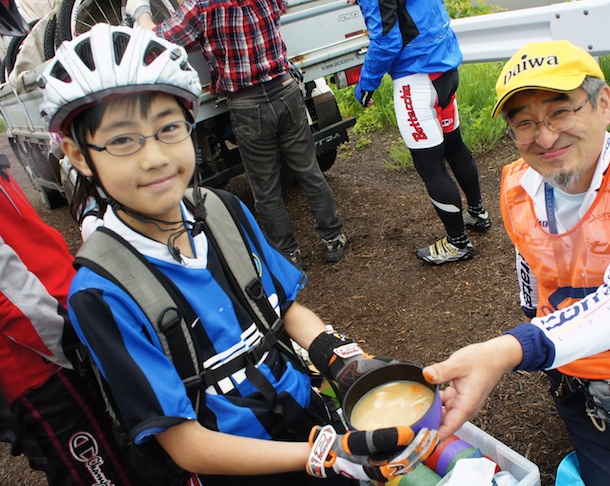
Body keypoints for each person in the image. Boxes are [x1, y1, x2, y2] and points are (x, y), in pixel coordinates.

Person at [40, 24, 437, 485]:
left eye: (168, 129)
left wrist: (340, 359)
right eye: (123, 140)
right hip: (237, 465)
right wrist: (325, 455)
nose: (154, 158)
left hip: (309, 417)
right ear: (80, 155)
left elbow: (283, 309)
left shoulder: (223, 211)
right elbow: (185, 444)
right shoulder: (102, 293)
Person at [422, 40, 610, 484]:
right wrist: (532, 316)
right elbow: (528, 260)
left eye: (560, 111)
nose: (544, 137)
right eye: (524, 123)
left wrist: (510, 349)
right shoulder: (516, 184)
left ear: (603, 104)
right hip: (586, 382)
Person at [125, 0, 347, 271]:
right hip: (285, 89)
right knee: (309, 171)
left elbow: (161, 40)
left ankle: (288, 255)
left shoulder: (201, 5)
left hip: (246, 103)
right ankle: (333, 238)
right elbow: (282, 7)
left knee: (265, 189)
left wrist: (141, 14)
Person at [0, 144, 150, 486]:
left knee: (128, 450)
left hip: (61, 328)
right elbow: (11, 298)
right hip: (42, 362)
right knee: (101, 471)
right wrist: (73, 345)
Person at [348, 0, 490, 265]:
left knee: (431, 166)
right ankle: (477, 213)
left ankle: (458, 243)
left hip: (415, 79)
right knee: (454, 145)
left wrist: (367, 84)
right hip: (443, 64)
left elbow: (386, 40)